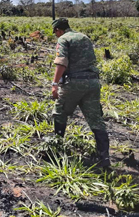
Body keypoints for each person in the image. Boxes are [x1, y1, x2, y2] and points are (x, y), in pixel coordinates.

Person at [51, 17, 110, 167]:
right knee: (96, 118)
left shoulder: (63, 39)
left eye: (55, 32)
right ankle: (104, 158)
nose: (56, 35)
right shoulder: (84, 37)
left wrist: (54, 84)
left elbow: (62, 62)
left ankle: (56, 152)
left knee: (59, 112)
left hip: (74, 83)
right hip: (93, 82)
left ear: (58, 30)